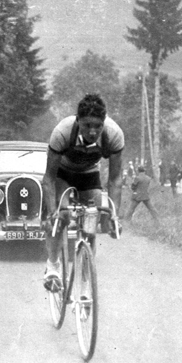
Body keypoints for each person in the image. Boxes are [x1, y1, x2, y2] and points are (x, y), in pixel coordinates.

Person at [41, 93, 124, 291]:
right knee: (61, 216)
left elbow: (115, 179)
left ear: (105, 122)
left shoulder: (113, 135)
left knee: (91, 222)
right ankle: (53, 266)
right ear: (78, 121)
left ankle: (86, 281)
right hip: (63, 173)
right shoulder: (62, 131)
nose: (93, 131)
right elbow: (49, 179)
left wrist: (114, 215)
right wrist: (52, 211)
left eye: (98, 126)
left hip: (89, 174)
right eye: (87, 125)